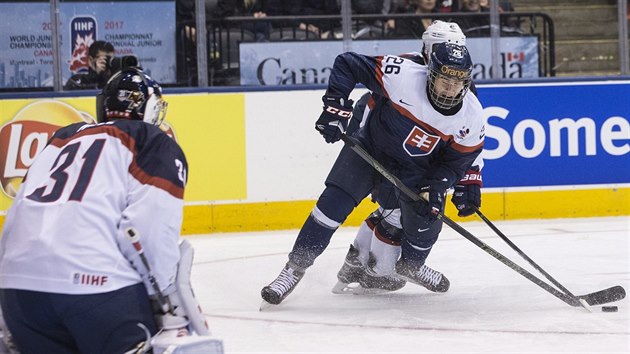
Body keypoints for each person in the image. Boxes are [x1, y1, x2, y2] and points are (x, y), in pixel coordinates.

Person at [0, 67, 211, 353]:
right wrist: (166, 300)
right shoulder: (152, 141)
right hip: (95, 291)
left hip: (19, 292)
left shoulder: (61, 139)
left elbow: (17, 215)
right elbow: (144, 232)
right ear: (149, 108)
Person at [261, 41, 485, 306]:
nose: (450, 88)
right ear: (431, 74)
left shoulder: (472, 117)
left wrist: (438, 184)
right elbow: (348, 63)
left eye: (457, 82)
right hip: (371, 149)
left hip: (414, 169)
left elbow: (458, 160)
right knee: (331, 206)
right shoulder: (403, 76)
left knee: (428, 215)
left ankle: (411, 266)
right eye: (444, 80)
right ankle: (293, 270)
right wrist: (335, 108)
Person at [333, 20, 484, 295]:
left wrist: (470, 179)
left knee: (398, 210)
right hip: (386, 149)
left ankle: (356, 261)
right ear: (428, 49)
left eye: (457, 48)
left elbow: (467, 142)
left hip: (422, 161)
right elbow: (367, 106)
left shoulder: (460, 86)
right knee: (398, 212)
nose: (450, 54)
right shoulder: (408, 69)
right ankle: (382, 272)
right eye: (442, 48)